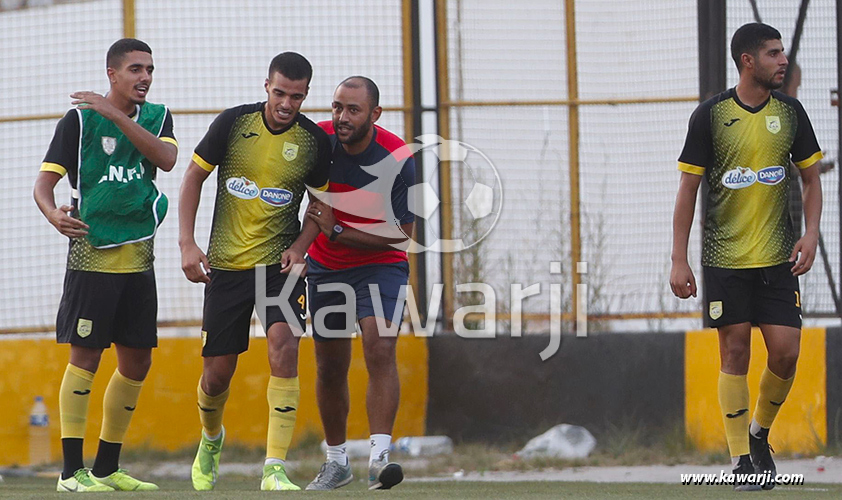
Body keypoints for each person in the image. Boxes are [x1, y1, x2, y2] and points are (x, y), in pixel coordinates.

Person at [670, 23, 823, 491]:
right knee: (734, 350)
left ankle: (759, 434)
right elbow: (688, 189)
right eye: (774, 54)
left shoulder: (791, 113)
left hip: (778, 260)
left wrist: (812, 234)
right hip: (725, 259)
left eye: (782, 52)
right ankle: (741, 461)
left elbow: (812, 181)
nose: (783, 61)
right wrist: (679, 258)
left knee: (786, 353)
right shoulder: (710, 116)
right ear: (748, 61)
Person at [178, 52, 330, 491]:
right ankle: (211, 440)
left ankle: (274, 468)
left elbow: (319, 207)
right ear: (266, 85)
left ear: (305, 95)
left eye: (296, 96)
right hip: (225, 266)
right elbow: (192, 177)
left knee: (285, 343)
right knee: (216, 374)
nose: (286, 103)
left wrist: (301, 247)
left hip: (277, 267)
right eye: (280, 93)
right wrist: (188, 243)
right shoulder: (233, 123)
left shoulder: (311, 142)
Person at [33, 38, 177, 492]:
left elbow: (167, 159)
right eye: (135, 69)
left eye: (150, 69)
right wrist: (52, 212)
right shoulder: (78, 120)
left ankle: (106, 468)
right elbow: (45, 182)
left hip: (139, 256)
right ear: (112, 73)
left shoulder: (158, 117)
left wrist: (115, 114)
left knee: (137, 362)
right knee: (86, 357)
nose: (145, 77)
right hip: (92, 254)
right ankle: (70, 473)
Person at [303, 76, 415, 491]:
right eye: (336, 107)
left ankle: (379, 459)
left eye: (353, 109)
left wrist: (335, 231)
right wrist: (300, 249)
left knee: (380, 345)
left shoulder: (398, 157)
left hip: (381, 264)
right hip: (327, 267)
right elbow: (308, 206)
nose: (342, 117)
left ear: (375, 114)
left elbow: (403, 235)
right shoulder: (318, 142)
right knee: (330, 366)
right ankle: (336, 463)